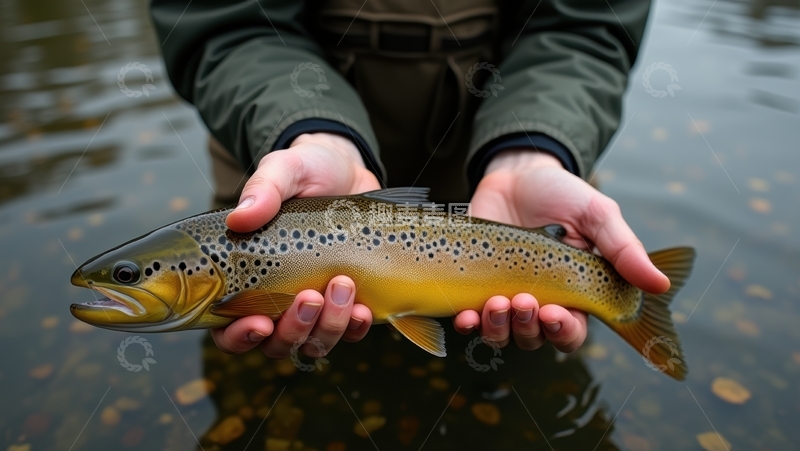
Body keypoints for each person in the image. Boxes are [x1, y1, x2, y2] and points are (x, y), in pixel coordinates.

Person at [150, 0, 669, 359]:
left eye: (131, 277)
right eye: (132, 276)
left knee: (527, 349)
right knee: (279, 360)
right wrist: (310, 129)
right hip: (288, 161)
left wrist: (535, 150)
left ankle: (607, 302)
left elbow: (581, 28)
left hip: (503, 169)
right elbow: (227, 23)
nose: (128, 282)